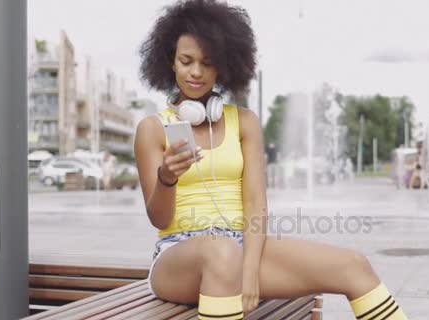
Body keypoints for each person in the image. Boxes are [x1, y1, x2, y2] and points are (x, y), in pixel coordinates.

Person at [134, 1, 407, 319]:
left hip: (239, 247)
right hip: (176, 257)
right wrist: (167, 177)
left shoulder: (245, 122)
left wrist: (249, 272)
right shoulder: (153, 129)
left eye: (207, 63)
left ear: (223, 65)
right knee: (219, 251)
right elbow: (159, 219)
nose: (196, 72)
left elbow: (255, 204)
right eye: (186, 61)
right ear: (170, 62)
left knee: (353, 265)